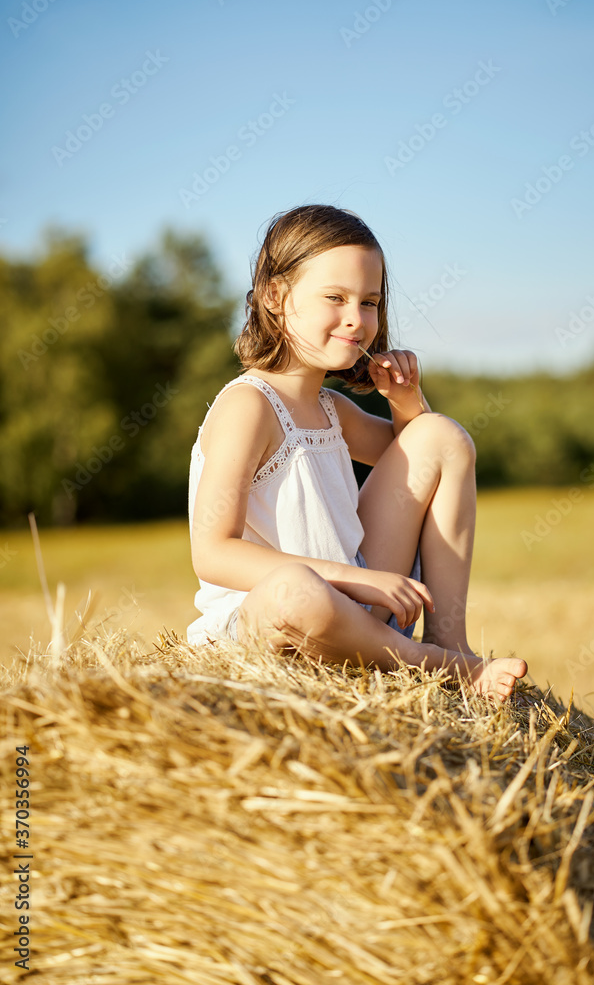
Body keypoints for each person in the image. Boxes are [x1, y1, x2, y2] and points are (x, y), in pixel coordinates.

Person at [187, 204, 528, 702]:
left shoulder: (332, 408)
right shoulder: (248, 406)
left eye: (369, 302)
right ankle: (437, 666)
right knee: (296, 590)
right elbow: (212, 552)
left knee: (443, 435)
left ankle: (449, 641)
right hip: (270, 625)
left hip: (355, 610)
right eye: (335, 298)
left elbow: (420, 461)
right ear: (276, 297)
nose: (356, 320)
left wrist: (406, 401)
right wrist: (353, 577)